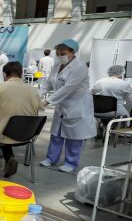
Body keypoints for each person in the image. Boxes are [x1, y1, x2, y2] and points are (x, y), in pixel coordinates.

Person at [39, 39, 94, 172]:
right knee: (56, 134)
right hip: (62, 105)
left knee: (74, 137)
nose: (59, 56)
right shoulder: (57, 65)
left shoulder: (80, 67)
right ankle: (51, 158)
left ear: (72, 52)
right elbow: (49, 83)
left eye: (63, 53)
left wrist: (47, 101)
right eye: (58, 53)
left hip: (77, 106)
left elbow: (68, 88)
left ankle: (71, 163)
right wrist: (36, 94)